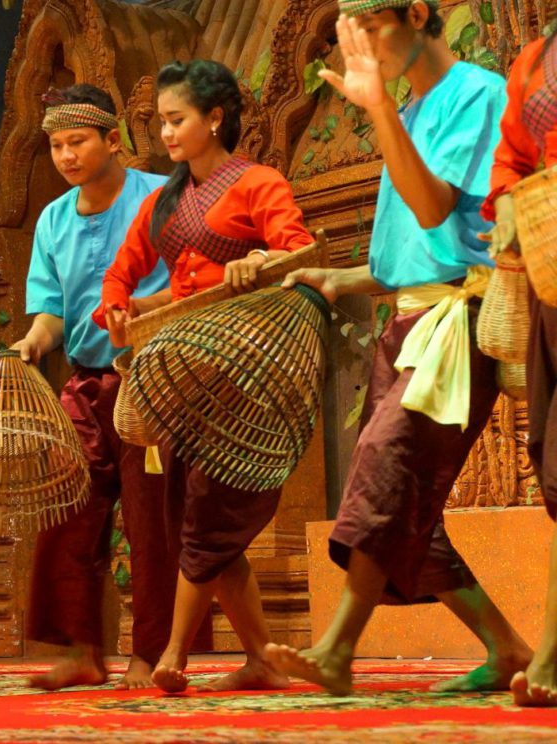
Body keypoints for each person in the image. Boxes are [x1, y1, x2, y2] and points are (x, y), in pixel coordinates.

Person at [265, 1, 532, 696]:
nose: (365, 48)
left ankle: (335, 650)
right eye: (348, 36)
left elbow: (437, 211)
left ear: (418, 13)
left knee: (385, 474)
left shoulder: (478, 93)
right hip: (406, 321)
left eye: (373, 27)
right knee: (409, 509)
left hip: (456, 322)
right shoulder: (407, 114)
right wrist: (339, 276)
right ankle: (505, 646)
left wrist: (379, 107)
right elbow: (404, 257)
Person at [95, 59, 313, 693]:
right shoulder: (166, 199)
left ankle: (173, 656)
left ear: (215, 118)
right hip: (183, 379)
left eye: (175, 120)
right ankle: (263, 660)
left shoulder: (258, 182)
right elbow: (123, 270)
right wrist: (118, 305)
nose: (164, 134)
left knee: (205, 518)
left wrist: (262, 259)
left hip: (241, 376)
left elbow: (297, 252)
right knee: (198, 520)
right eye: (160, 122)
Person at [12, 83, 205, 691]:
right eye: (57, 145)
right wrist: (31, 344)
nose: (66, 156)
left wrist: (140, 309)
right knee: (65, 505)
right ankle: (80, 650)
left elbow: (196, 280)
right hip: (86, 381)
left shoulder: (160, 195)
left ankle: (150, 652)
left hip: (155, 376)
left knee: (152, 521)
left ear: (112, 139)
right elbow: (50, 311)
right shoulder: (52, 218)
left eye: (78, 141)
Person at [480, 29, 557, 707]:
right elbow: (510, 161)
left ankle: (554, 647)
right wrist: (507, 201)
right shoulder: (534, 57)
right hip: (549, 273)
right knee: (550, 458)